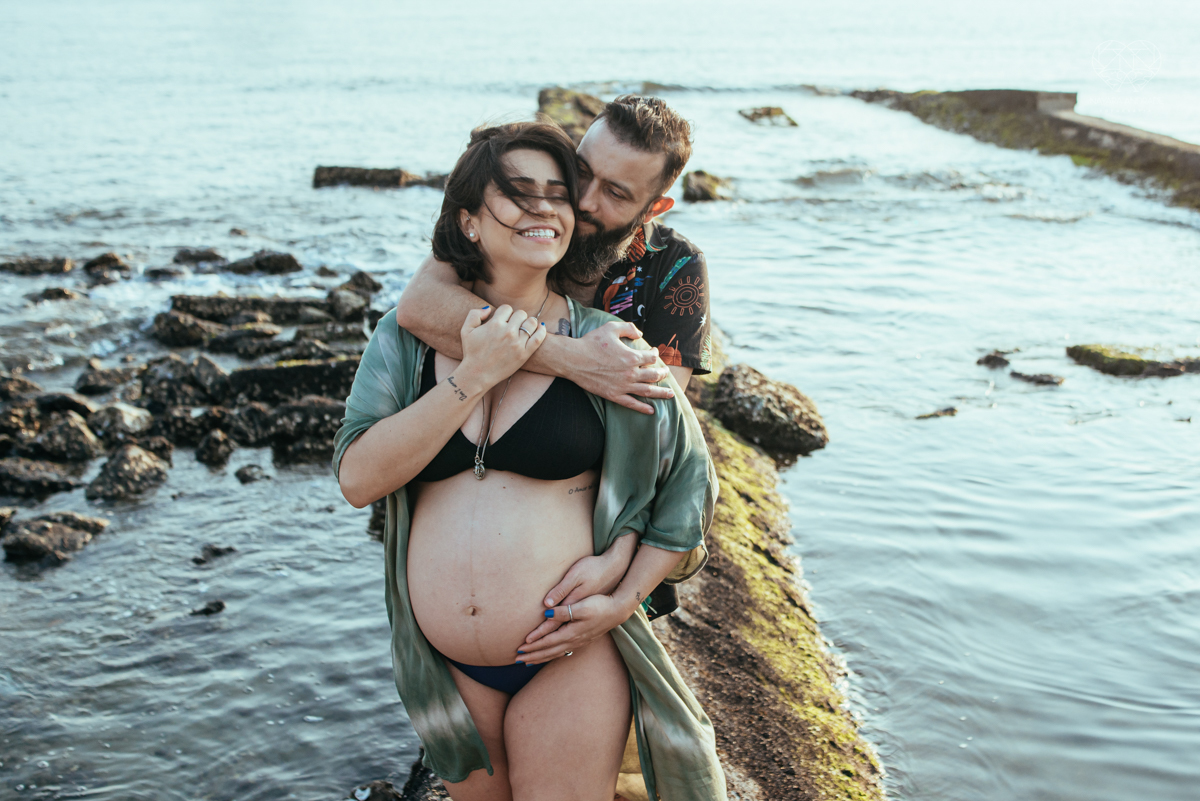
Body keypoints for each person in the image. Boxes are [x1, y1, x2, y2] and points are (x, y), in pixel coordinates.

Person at [333, 121, 724, 801]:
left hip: (569, 650)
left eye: (557, 193)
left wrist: (619, 591)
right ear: (470, 223)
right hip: (446, 665)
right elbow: (359, 479)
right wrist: (476, 373)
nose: (553, 204)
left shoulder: (616, 339)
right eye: (521, 192)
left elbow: (680, 480)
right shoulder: (409, 337)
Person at [396, 94, 711, 621]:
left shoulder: (675, 268)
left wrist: (621, 561)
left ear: (654, 208)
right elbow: (421, 305)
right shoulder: (531, 216)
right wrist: (570, 359)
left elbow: (654, 431)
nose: (584, 200)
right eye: (581, 170)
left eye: (615, 192)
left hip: (602, 557)